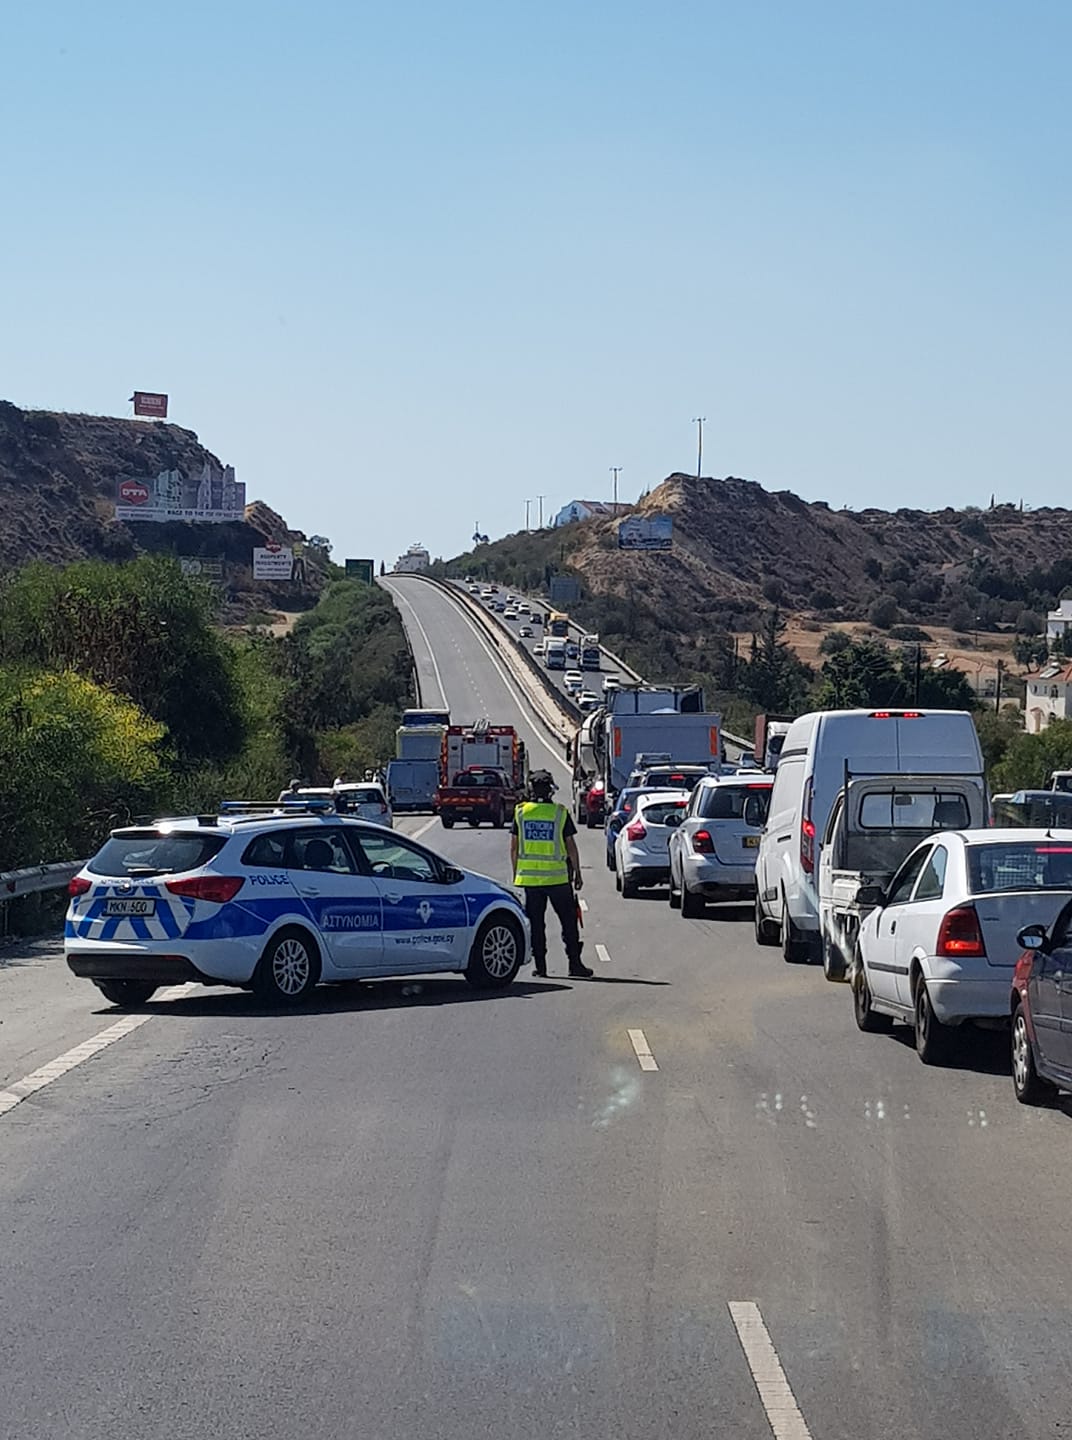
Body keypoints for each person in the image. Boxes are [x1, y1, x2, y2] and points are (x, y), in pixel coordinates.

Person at [511, 770, 592, 979]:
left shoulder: (521, 812)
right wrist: (578, 874)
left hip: (531, 881)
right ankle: (575, 964)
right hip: (558, 879)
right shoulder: (559, 813)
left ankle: (541, 967)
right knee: (568, 922)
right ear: (550, 791)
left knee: (536, 925)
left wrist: (516, 873)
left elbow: (514, 848)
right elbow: (571, 847)